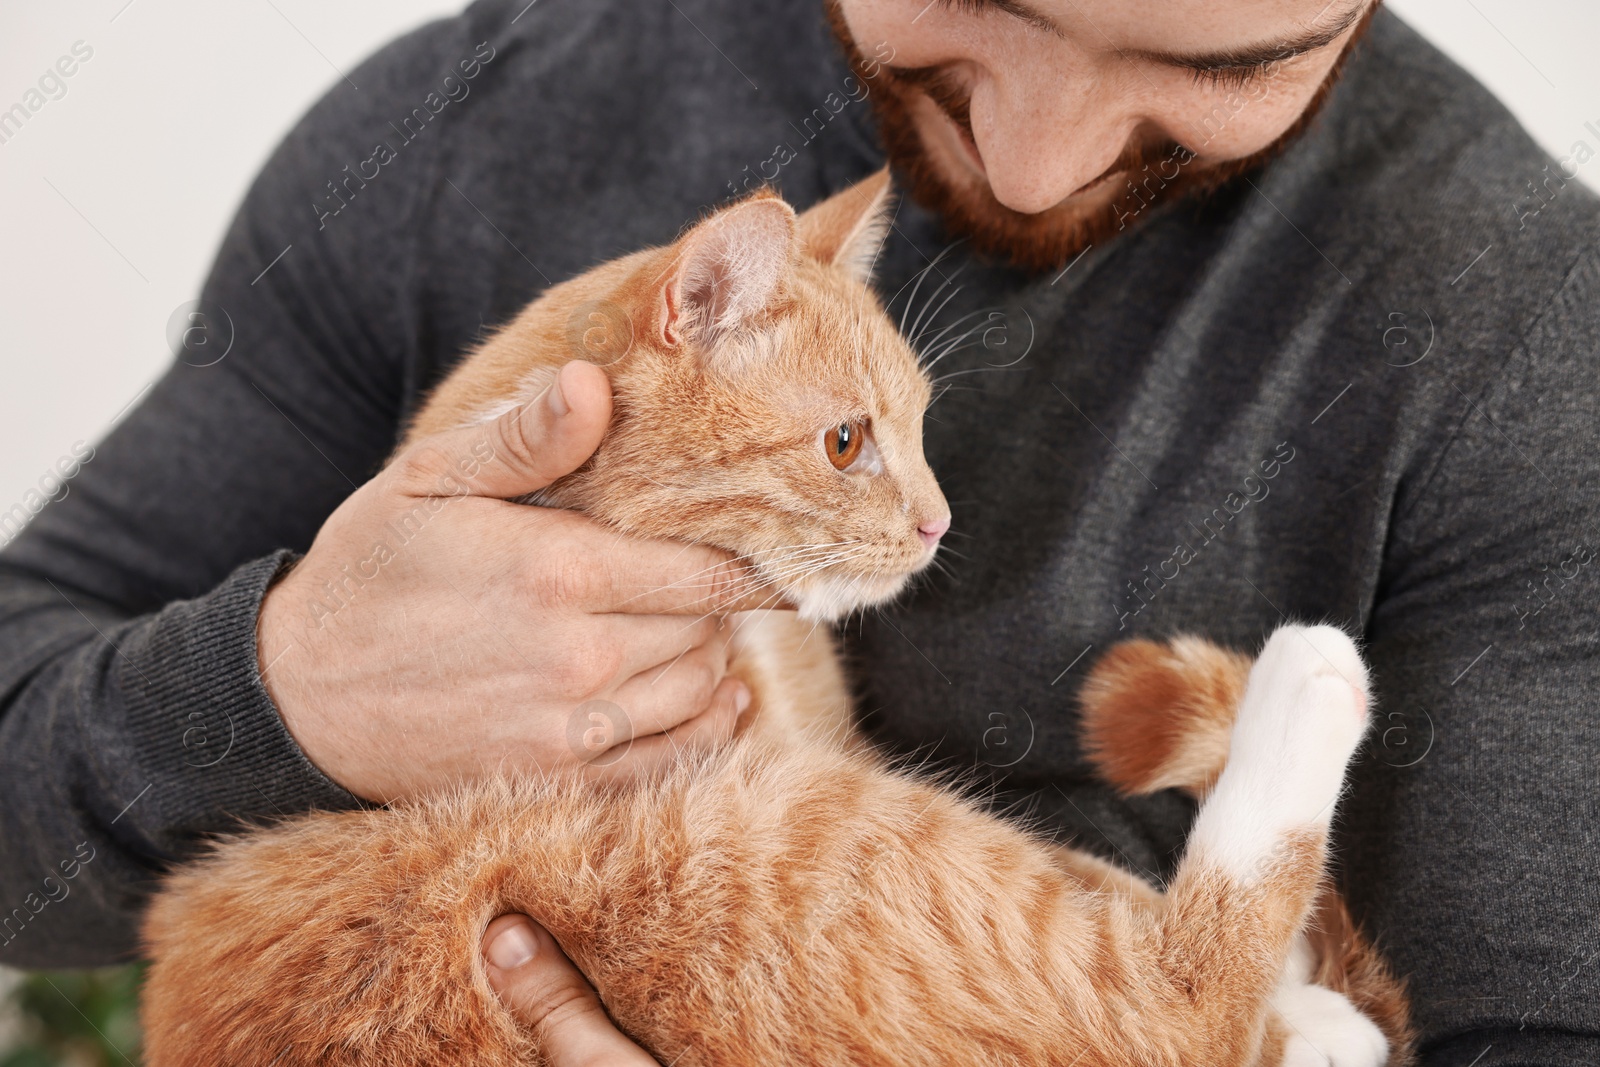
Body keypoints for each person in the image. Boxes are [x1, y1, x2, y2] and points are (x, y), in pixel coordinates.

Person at [0, 0, 1595, 1062]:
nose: (1036, 162)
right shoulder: (459, 125)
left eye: (1224, 67)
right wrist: (287, 686)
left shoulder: (1521, 315)